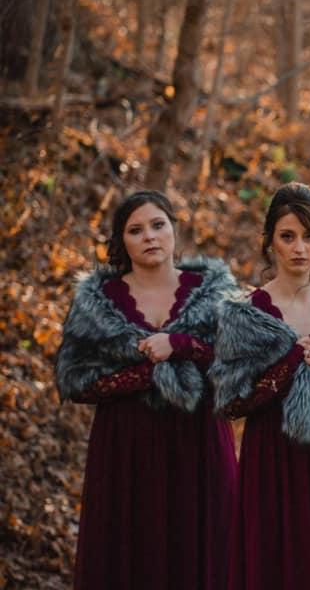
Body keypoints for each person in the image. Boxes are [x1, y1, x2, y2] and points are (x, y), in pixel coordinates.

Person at [55, 190, 238, 590]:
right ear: (122, 241)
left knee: (202, 551)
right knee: (130, 553)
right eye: (135, 230)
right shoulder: (97, 301)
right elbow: (76, 380)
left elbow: (238, 365)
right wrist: (146, 372)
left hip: (199, 440)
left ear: (174, 228)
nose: (150, 236)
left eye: (158, 225)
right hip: (125, 448)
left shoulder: (215, 292)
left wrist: (181, 346)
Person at [208, 182, 310, 590]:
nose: (299, 248)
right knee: (273, 559)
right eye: (287, 236)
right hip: (270, 453)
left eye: (309, 236)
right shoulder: (245, 312)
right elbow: (232, 402)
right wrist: (291, 359)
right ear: (270, 241)